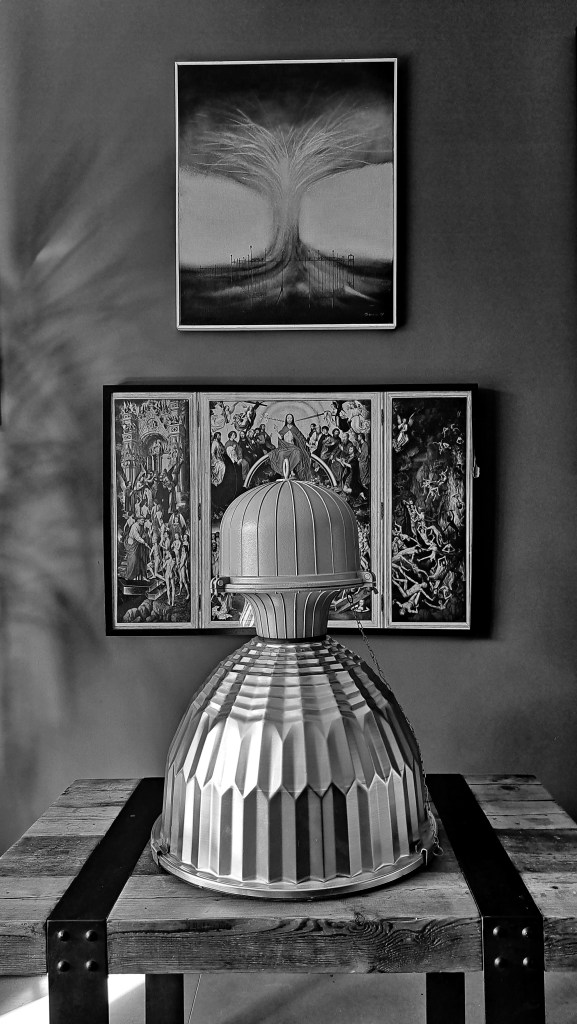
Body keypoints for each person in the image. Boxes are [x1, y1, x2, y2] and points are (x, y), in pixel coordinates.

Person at [269, 414, 312, 480]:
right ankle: (284, 472)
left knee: (297, 452)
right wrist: (276, 431)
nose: (289, 419)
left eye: (291, 418)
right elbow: (281, 437)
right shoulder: (284, 428)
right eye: (288, 418)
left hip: (292, 447)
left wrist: (308, 444)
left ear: (292, 419)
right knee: (280, 454)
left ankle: (291, 469)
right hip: (285, 446)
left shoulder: (294, 428)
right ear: (286, 419)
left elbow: (301, 437)